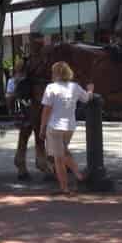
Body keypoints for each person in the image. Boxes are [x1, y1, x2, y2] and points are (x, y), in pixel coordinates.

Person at [42, 61, 93, 195]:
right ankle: (69, 183)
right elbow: (87, 99)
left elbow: (46, 110)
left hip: (54, 126)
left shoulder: (50, 88)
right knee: (63, 154)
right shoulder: (75, 87)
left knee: (59, 158)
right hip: (70, 126)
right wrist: (90, 90)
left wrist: (42, 128)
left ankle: (75, 179)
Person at [14, 34, 51, 180]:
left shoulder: (26, 61)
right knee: (38, 129)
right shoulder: (40, 61)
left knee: (26, 131)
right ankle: (42, 161)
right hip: (35, 100)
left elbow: (18, 78)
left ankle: (20, 161)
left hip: (27, 100)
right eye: (40, 43)